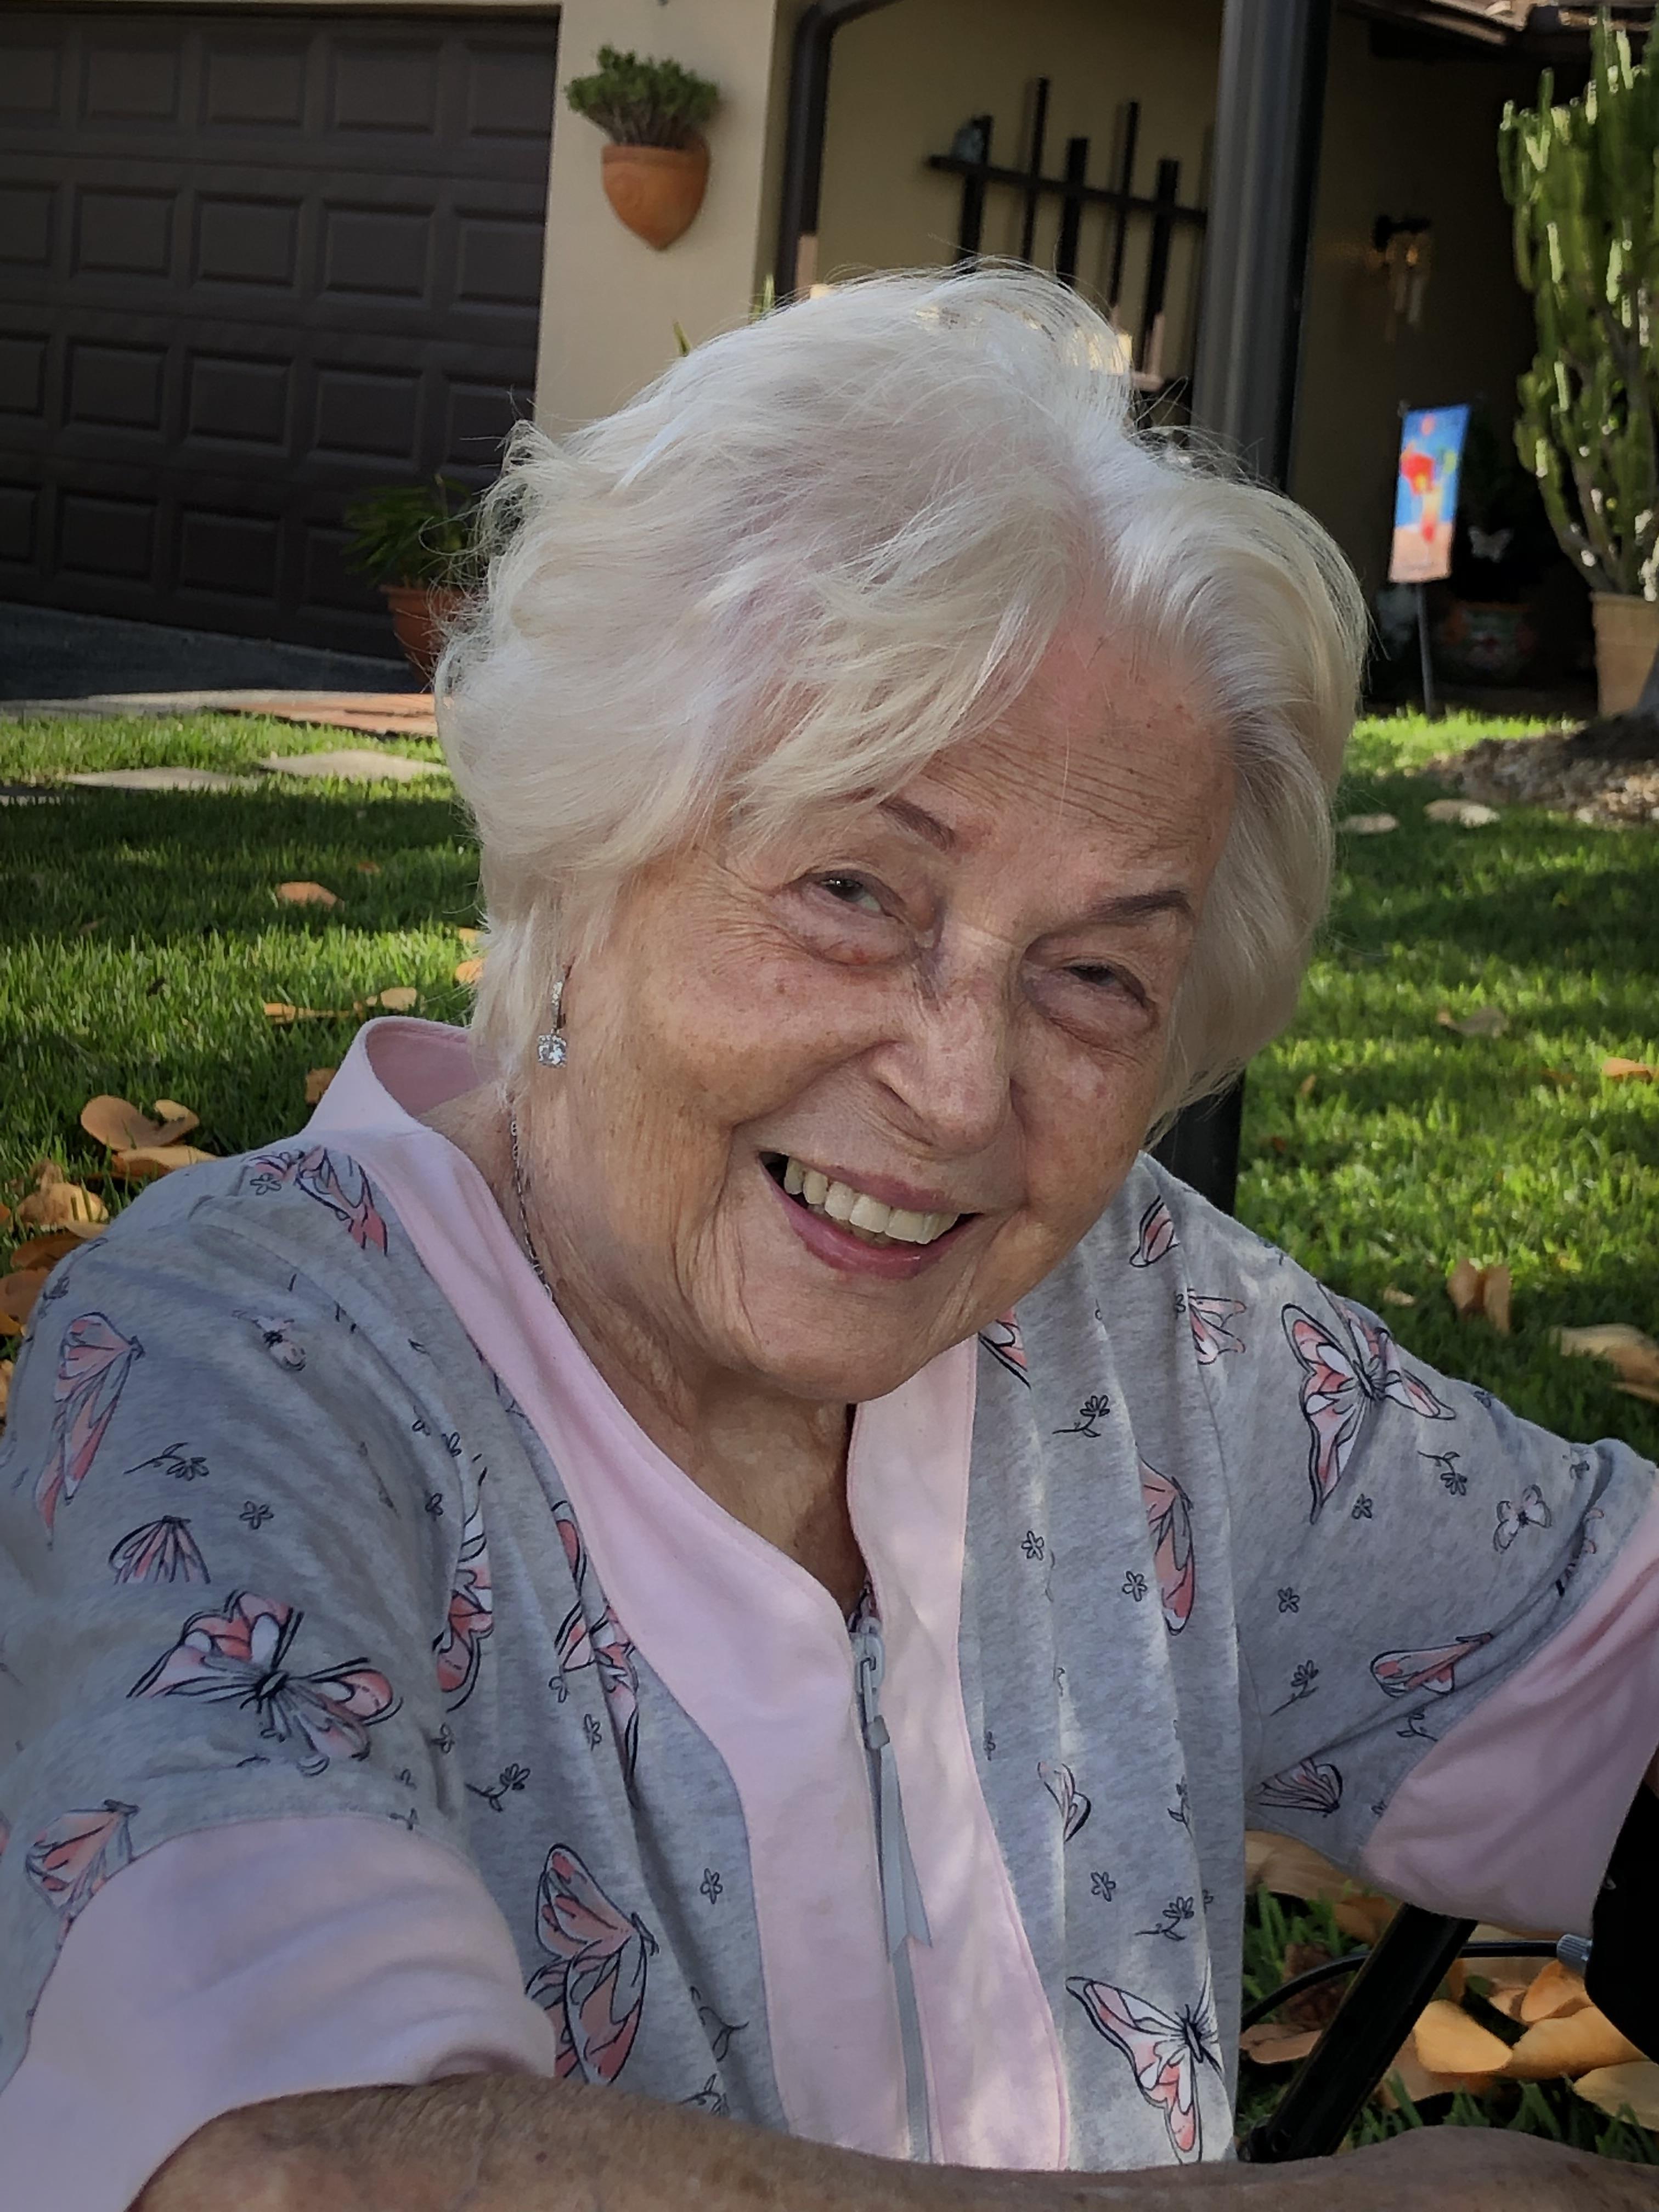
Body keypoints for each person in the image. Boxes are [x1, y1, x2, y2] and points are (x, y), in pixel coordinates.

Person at [0, 271, 1655, 2212]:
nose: (963, 1091)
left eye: (1097, 973)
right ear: (579, 844)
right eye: (855, 887)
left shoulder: (1154, 1331)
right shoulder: (253, 1355)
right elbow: (278, 2168)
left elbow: (1610, 1674)